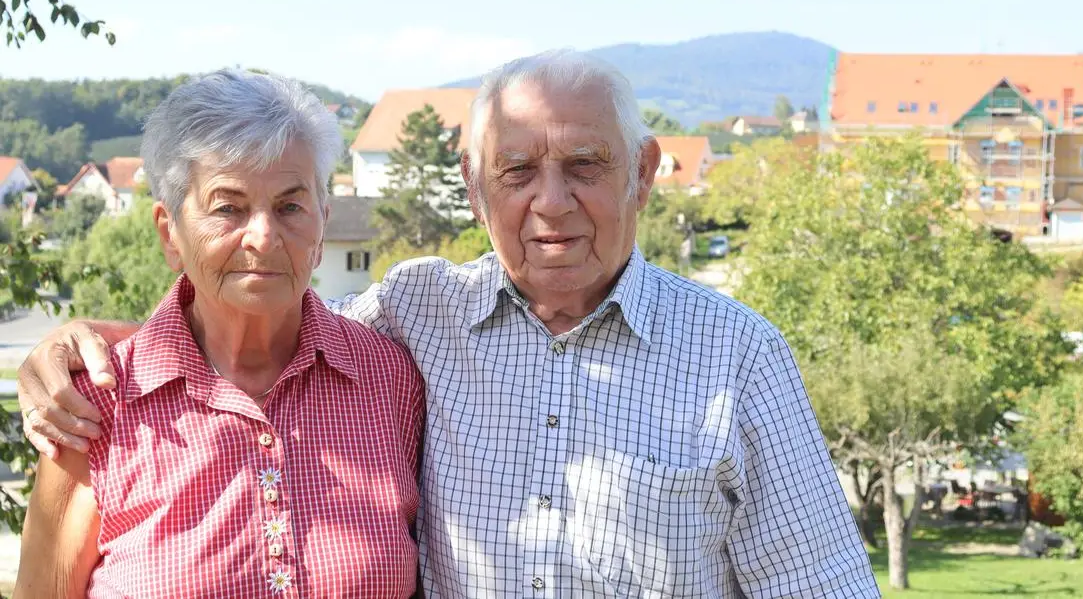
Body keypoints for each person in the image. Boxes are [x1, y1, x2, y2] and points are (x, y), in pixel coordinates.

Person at [19, 51, 880, 597]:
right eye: (518, 170)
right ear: (474, 186)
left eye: (585, 164)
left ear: (643, 174)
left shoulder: (737, 357)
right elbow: (250, 316)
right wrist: (78, 342)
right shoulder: (417, 319)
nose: (551, 202)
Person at [14, 70, 424, 597]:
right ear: (170, 233)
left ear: (322, 224)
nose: (264, 237)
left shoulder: (390, 380)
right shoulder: (93, 407)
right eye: (228, 207)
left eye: (290, 206)